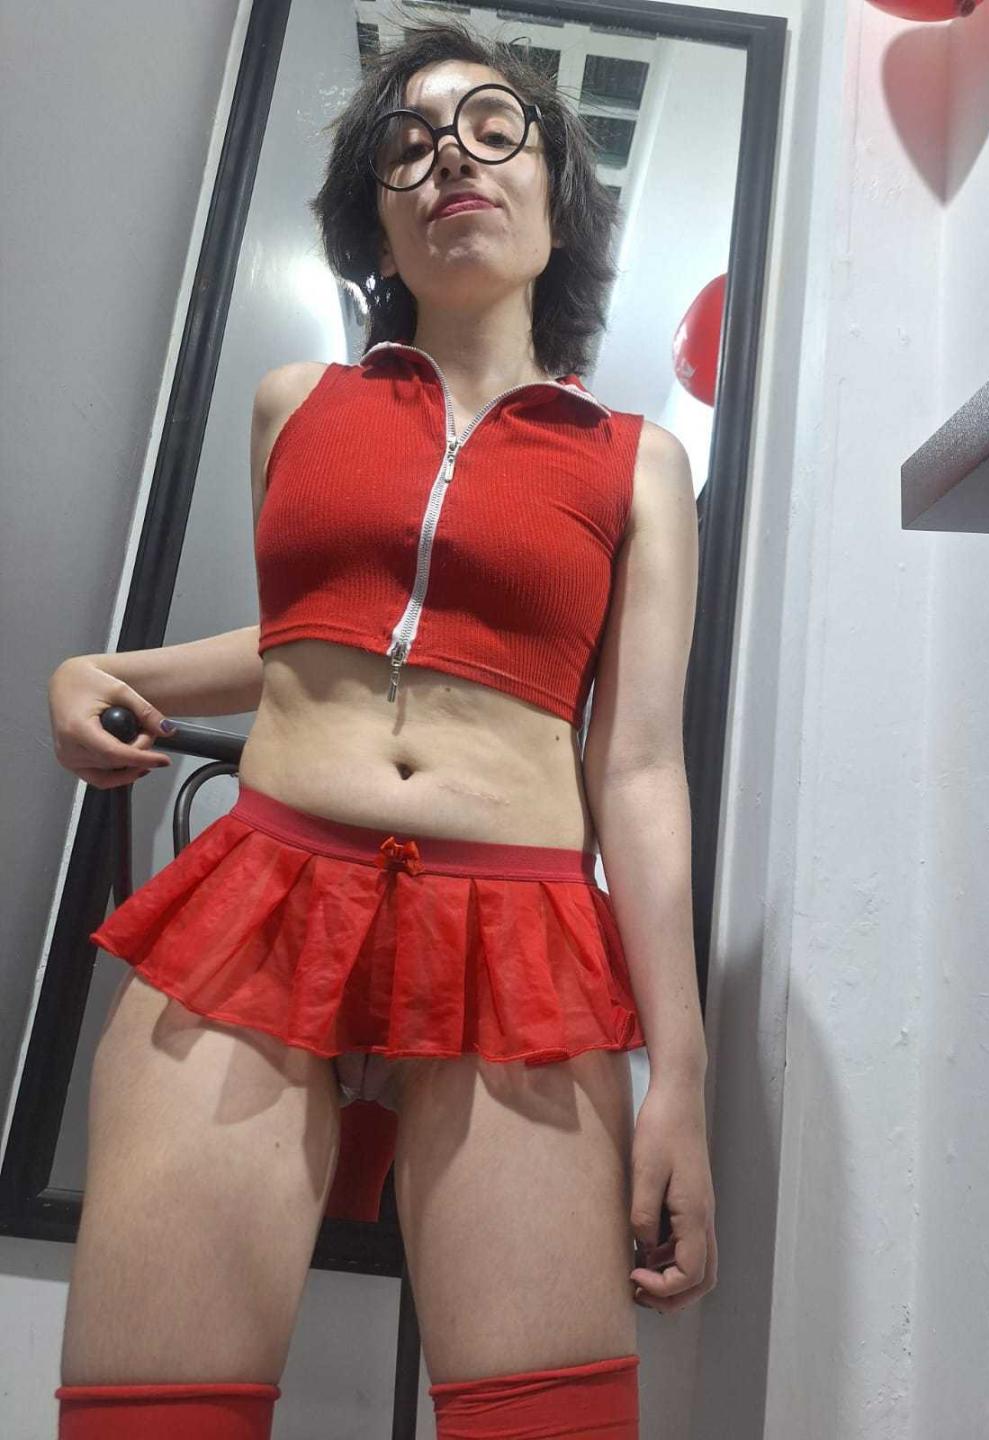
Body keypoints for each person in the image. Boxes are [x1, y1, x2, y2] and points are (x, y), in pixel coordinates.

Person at [47, 19, 716, 1439]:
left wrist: (684, 1080)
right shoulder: (298, 404)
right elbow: (313, 644)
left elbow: (642, 766)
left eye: (490, 128)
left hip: (518, 934)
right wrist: (105, 669)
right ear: (379, 217)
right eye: (407, 144)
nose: (447, 159)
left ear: (558, 201)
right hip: (265, 899)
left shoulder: (638, 462)